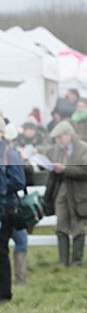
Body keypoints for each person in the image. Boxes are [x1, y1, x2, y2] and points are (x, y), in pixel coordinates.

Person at [44, 121, 87, 267]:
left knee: (78, 227)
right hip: (62, 192)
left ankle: (77, 261)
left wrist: (65, 169)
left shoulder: (84, 149)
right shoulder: (57, 150)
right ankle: (63, 261)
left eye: (60, 137)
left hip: (80, 194)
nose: (58, 141)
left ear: (69, 135)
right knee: (60, 225)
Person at [0, 123, 26, 303]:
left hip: (5, 208)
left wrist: (2, 187)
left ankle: (4, 294)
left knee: (1, 251)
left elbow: (19, 181)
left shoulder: (10, 154)